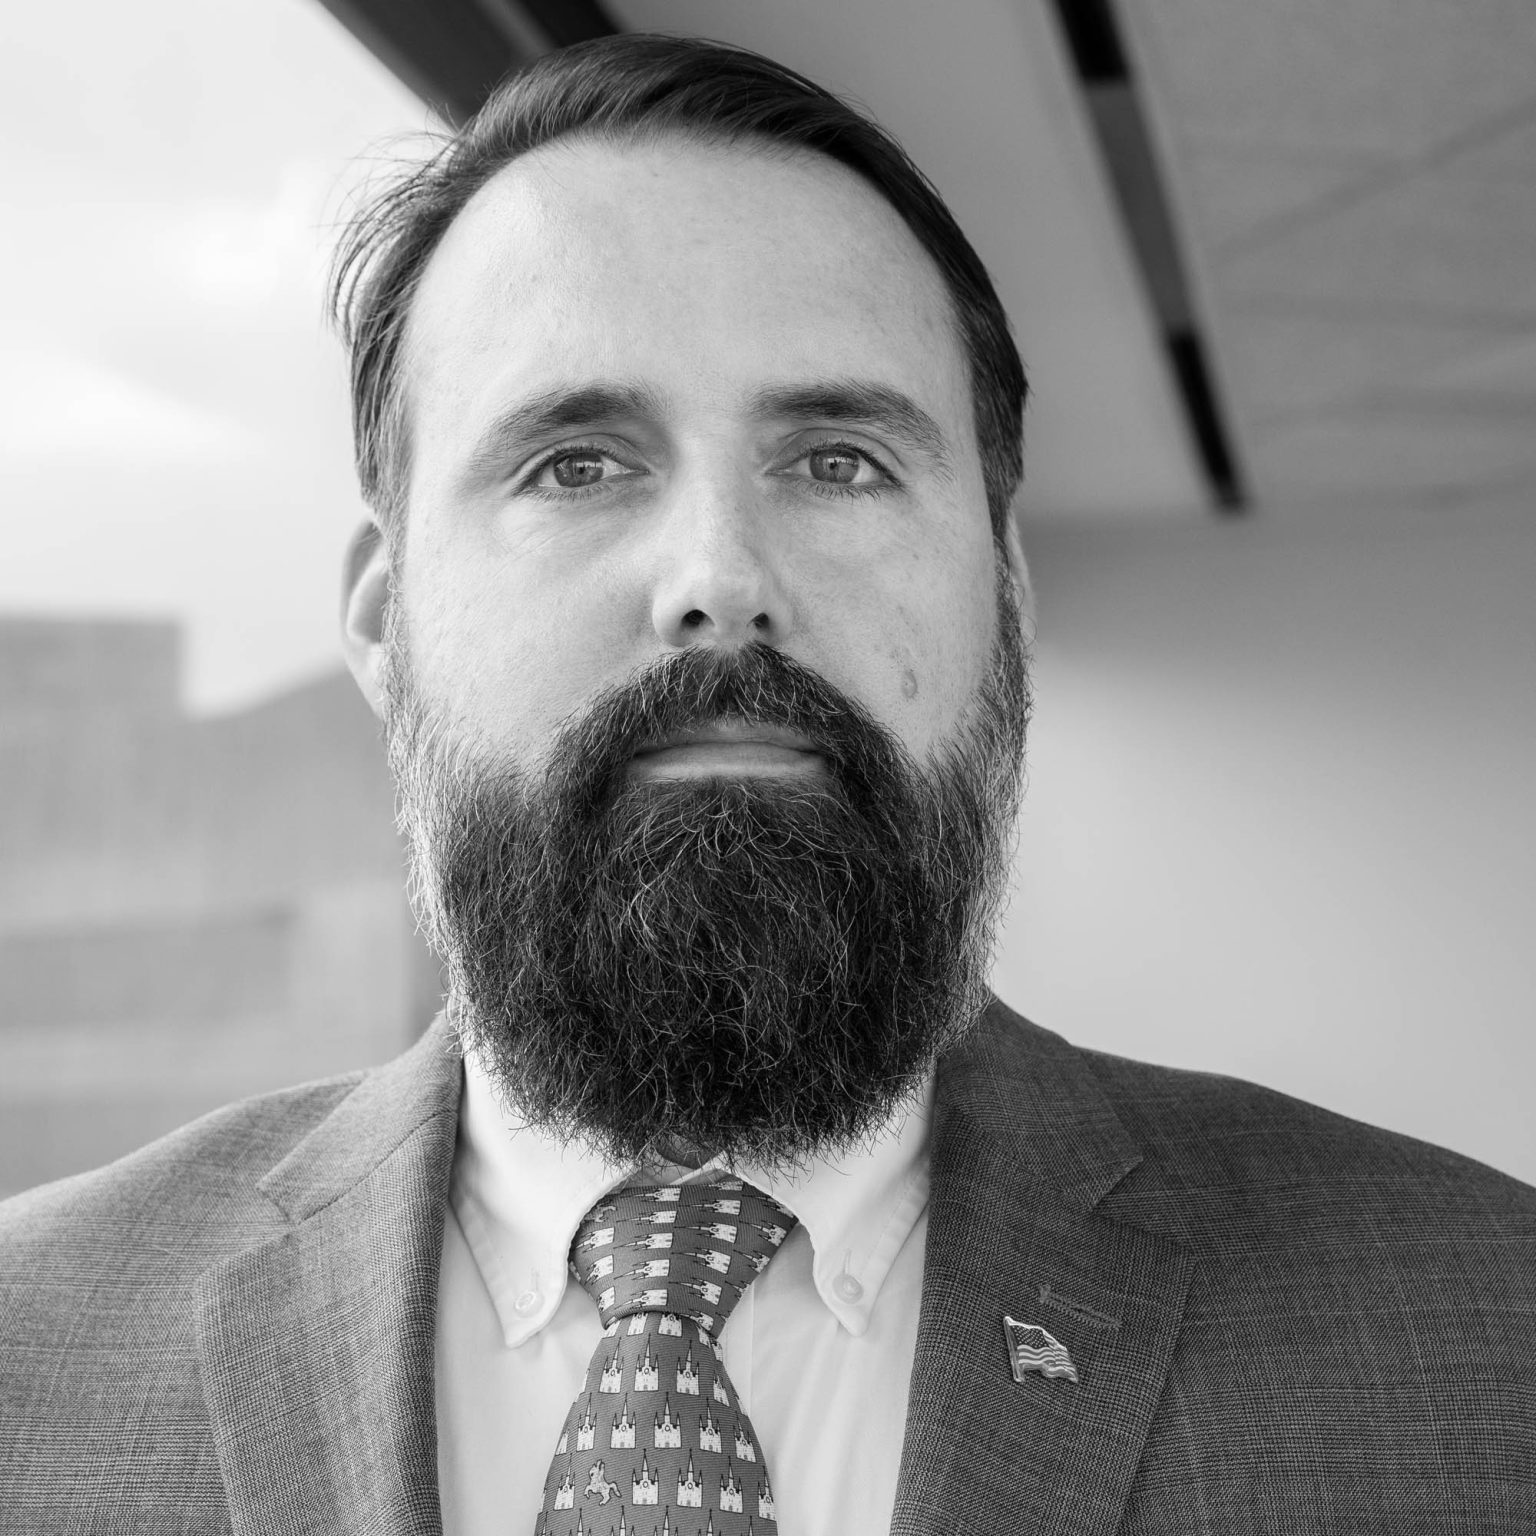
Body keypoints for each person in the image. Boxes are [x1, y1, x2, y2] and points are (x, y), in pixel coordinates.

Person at [1, 32, 1532, 1535]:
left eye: (841, 459)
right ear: (384, 622)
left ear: (1005, 594)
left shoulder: (1484, 1340)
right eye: (577, 463)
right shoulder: (26, 1355)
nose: (720, 582)